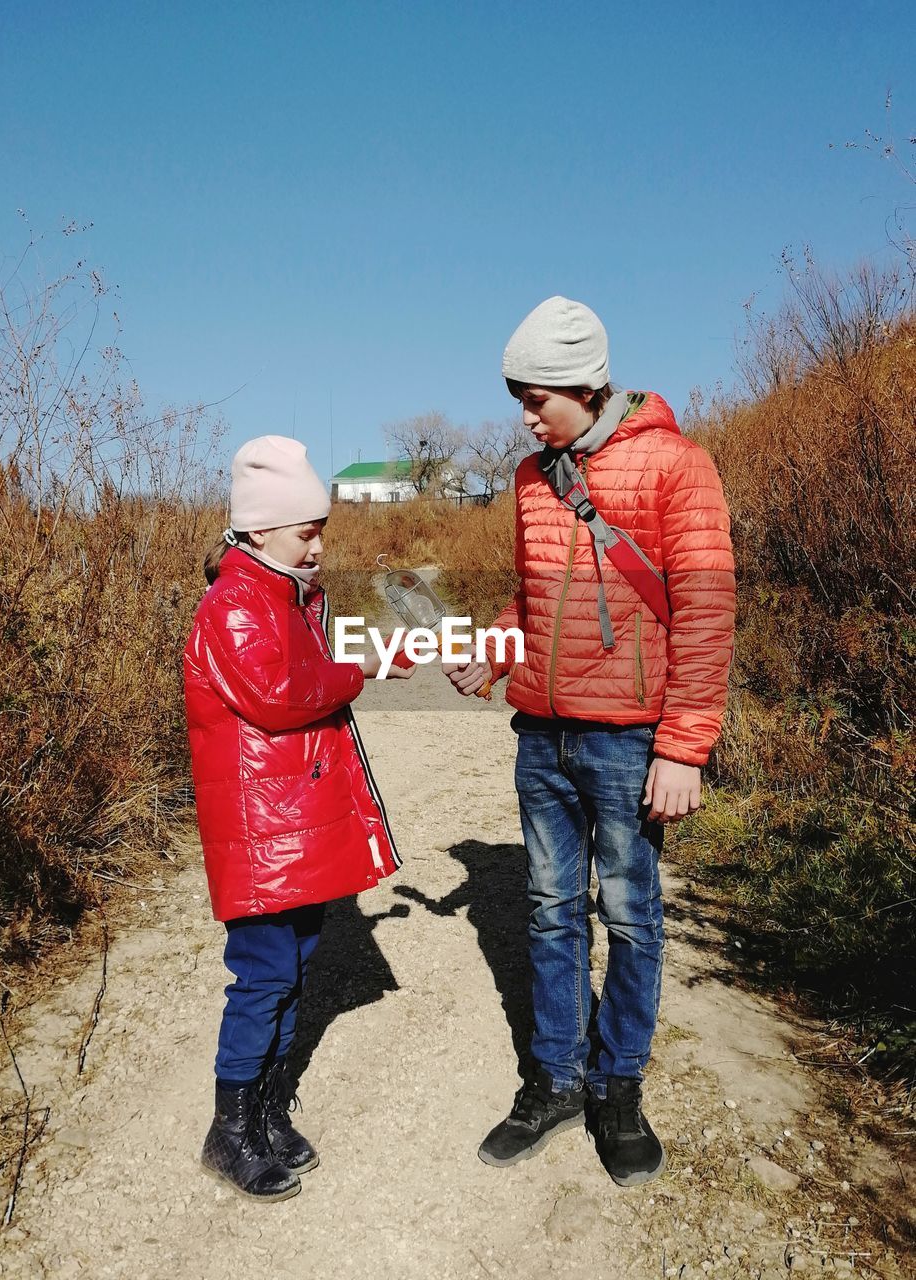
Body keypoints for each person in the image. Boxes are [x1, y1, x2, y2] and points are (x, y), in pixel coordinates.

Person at [446, 296, 735, 1186]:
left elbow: (707, 612)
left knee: (632, 916)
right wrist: (493, 658)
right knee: (548, 910)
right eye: (517, 398)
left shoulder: (677, 468)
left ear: (585, 383)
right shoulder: (535, 478)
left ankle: (618, 1091)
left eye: (535, 398)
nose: (524, 416)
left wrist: (684, 747)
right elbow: (530, 601)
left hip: (629, 743)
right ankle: (556, 1080)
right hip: (542, 736)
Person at [183, 435, 411, 1202]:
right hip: (260, 832)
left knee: (298, 965)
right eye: (304, 528)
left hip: (290, 827)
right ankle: (229, 1131)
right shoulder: (235, 604)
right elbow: (281, 696)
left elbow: (306, 676)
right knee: (264, 976)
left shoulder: (286, 595)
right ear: (256, 529)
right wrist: (365, 666)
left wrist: (362, 653)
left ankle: (268, 1113)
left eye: (320, 526)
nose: (318, 542)